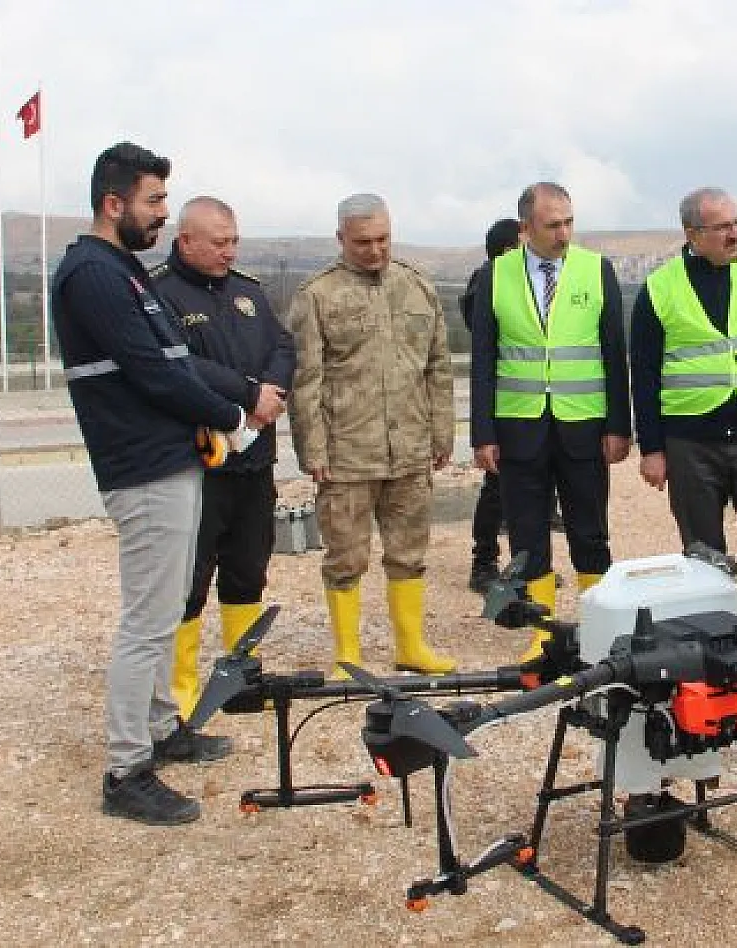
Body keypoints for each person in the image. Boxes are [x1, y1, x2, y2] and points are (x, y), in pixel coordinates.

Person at [53, 142, 256, 825]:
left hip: (169, 459)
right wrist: (233, 416)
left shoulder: (121, 270)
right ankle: (126, 768)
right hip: (142, 467)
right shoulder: (92, 273)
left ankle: (164, 729)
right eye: (153, 201)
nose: (162, 215)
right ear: (114, 204)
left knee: (168, 608)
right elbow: (155, 371)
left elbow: (177, 357)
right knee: (147, 621)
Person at [288, 194, 457, 678]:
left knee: (409, 551)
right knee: (346, 556)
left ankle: (410, 646)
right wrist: (313, 449)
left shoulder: (417, 287)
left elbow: (437, 367)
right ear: (341, 238)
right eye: (363, 242)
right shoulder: (317, 296)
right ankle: (348, 657)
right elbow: (307, 381)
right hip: (346, 454)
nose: (375, 250)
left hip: (409, 449)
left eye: (383, 238)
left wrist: (441, 432)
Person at [469, 182, 633, 660]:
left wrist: (618, 426)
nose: (563, 234)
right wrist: (483, 433)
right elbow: (484, 359)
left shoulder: (595, 269)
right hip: (519, 426)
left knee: (589, 531)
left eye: (568, 222)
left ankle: (600, 634)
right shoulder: (495, 276)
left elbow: (611, 354)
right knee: (527, 534)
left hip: (582, 425)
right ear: (525, 229)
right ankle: (544, 639)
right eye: (552, 225)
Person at [150, 197, 296, 721]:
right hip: (200, 461)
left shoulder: (248, 292)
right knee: (192, 575)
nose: (229, 251)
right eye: (219, 242)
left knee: (248, 566)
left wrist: (272, 390)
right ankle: (181, 686)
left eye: (234, 240)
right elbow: (182, 365)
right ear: (186, 240)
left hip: (254, 458)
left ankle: (240, 674)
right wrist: (249, 394)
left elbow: (283, 344)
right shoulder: (159, 292)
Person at [630, 187, 737, 588]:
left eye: (736, 224)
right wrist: (652, 448)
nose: (734, 235)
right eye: (722, 227)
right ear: (692, 234)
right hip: (690, 443)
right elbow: (643, 375)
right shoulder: (660, 287)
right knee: (702, 557)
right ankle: (713, 638)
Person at [460, 218, 521, 593]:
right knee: (497, 485)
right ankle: (483, 562)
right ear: (506, 251)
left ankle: (524, 563)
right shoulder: (487, 285)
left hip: (524, 402)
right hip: (502, 401)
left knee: (527, 491)